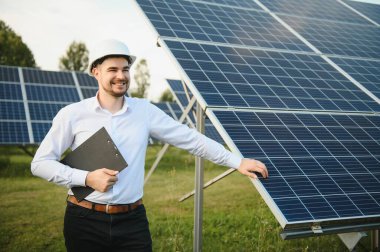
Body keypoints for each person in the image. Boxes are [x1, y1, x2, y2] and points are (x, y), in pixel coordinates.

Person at [31, 39, 268, 252]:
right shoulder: (73, 114)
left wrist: (236, 161)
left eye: (125, 69)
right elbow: (40, 164)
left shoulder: (144, 111)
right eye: (112, 69)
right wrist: (86, 178)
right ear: (95, 72)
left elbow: (191, 139)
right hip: (84, 220)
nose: (121, 76)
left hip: (131, 221)